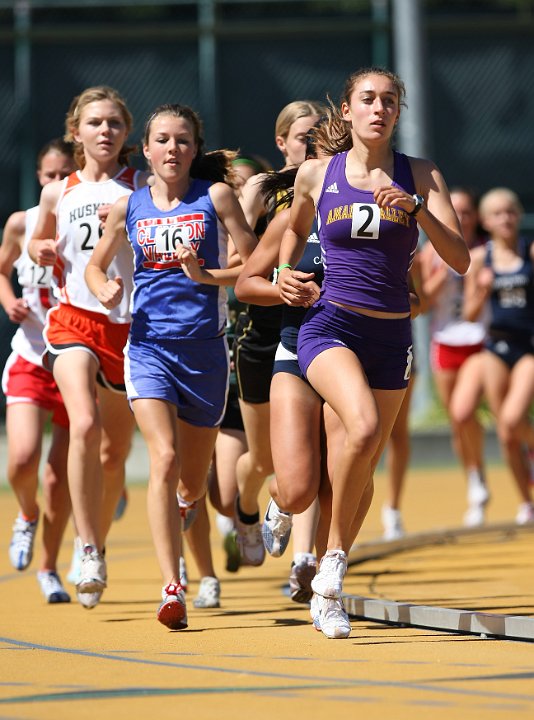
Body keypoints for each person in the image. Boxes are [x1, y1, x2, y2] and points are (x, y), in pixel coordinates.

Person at [276, 67, 470, 638]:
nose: (379, 109)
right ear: (347, 110)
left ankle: (328, 580)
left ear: (398, 112)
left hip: (391, 337)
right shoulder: (317, 173)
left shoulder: (422, 174)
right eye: (368, 99)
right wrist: (288, 274)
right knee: (360, 429)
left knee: (359, 464)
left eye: (389, 100)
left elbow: (458, 258)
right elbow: (291, 234)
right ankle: (321, 554)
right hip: (329, 325)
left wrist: (417, 209)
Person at [85, 103, 257, 630]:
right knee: (160, 459)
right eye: (162, 140)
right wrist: (107, 287)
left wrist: (206, 276)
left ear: (194, 148)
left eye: (182, 140)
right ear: (148, 148)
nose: (172, 150)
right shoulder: (128, 206)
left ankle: (187, 504)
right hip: (149, 346)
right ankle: (172, 585)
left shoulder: (217, 197)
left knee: (191, 482)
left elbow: (254, 263)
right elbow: (95, 265)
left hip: (204, 351)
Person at [29, 86, 144, 609]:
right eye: (95, 123)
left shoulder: (140, 186)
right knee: (84, 423)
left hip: (129, 328)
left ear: (126, 133)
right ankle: (88, 547)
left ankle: (99, 529)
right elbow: (36, 239)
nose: (105, 131)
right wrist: (41, 246)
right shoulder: (60, 192)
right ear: (76, 131)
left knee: (113, 453)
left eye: (114, 123)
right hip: (73, 322)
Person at [233, 101, 324, 566]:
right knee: (266, 459)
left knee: (316, 450)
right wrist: (277, 276)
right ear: (282, 141)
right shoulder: (265, 190)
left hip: (314, 327)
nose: (312, 144)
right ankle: (247, 507)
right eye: (304, 136)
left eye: (321, 135)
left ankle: (304, 559)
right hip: (262, 329)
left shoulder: (338, 183)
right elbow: (236, 259)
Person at [0, 139, 75, 603]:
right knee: (23, 460)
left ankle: (49, 567)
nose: (55, 182)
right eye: (48, 175)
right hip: (31, 356)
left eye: (64, 174)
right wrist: (10, 301)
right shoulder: (21, 223)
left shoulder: (93, 217)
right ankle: (26, 514)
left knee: (57, 475)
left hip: (75, 358)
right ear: (39, 178)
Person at [463, 187, 534, 524]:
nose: (506, 218)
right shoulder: (480, 259)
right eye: (498, 213)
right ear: (487, 221)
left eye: (511, 211)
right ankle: (526, 503)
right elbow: (470, 314)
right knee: (506, 434)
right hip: (495, 346)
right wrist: (481, 289)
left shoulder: (530, 252)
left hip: (528, 348)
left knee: (510, 419)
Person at [421, 187, 490, 527]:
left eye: (467, 212)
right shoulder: (430, 252)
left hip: (483, 341)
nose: (461, 217)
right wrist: (445, 272)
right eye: (456, 211)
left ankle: (521, 453)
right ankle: (475, 479)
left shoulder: (488, 250)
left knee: (496, 413)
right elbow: (422, 301)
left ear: (476, 217)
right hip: (446, 340)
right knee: (458, 420)